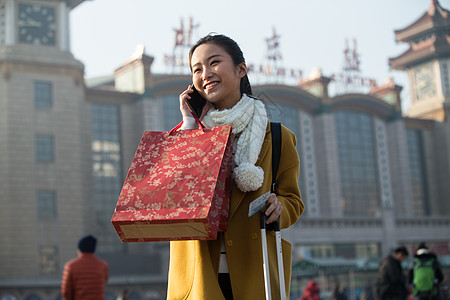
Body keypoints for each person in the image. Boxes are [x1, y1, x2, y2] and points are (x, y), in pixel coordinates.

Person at [167, 34, 304, 299]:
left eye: (214, 62)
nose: (205, 73)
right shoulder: (189, 135)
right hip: (198, 280)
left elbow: (293, 202)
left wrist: (280, 207)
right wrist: (190, 123)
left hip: (256, 275)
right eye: (196, 69)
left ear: (241, 69)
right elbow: (176, 196)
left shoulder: (277, 137)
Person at [61, 235, 109, 300]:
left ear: (80, 249)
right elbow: (104, 282)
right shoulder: (103, 266)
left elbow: (66, 292)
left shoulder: (70, 266)